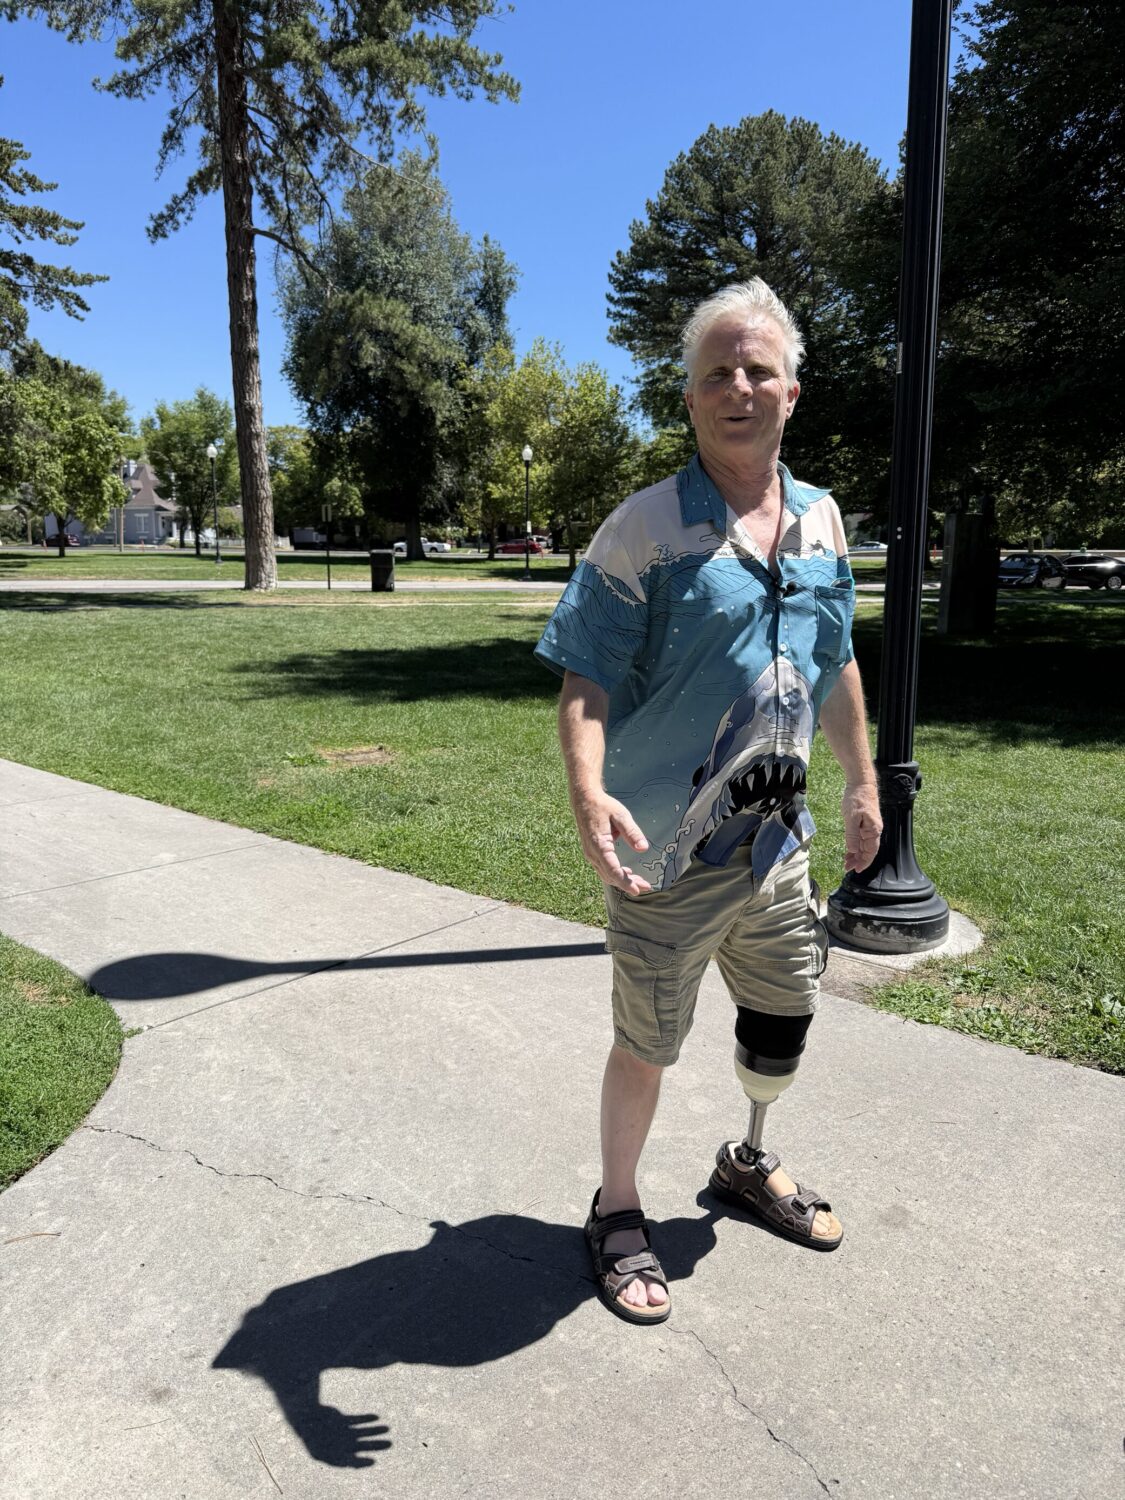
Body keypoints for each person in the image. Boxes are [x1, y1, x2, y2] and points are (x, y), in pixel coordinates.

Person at [534, 278, 882, 1324]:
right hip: (666, 854)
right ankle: (619, 1208)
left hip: (778, 845)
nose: (738, 386)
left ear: (792, 392)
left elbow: (836, 662)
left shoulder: (822, 522)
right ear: (689, 399)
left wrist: (863, 781)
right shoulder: (642, 530)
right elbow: (584, 678)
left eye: (757, 369)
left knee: (782, 1023)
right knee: (648, 1040)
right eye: (715, 373)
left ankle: (748, 1158)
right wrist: (588, 790)